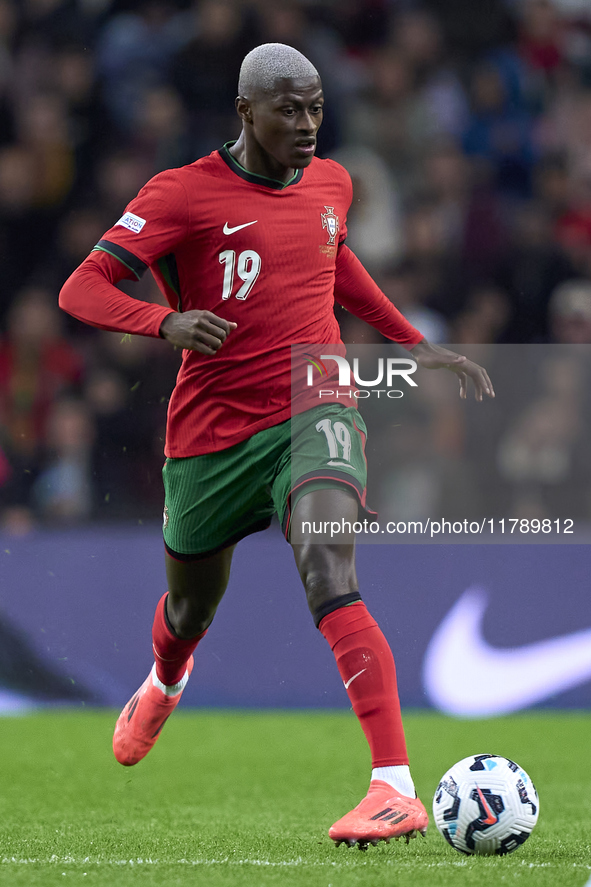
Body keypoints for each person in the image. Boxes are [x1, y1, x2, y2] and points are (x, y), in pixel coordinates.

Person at [59, 43, 494, 849]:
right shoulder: (180, 195)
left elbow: (333, 258)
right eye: (288, 109)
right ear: (244, 112)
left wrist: (407, 339)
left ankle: (391, 787)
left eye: (316, 108)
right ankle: (166, 675)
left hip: (315, 402)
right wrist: (165, 321)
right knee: (190, 608)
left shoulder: (333, 182)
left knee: (327, 563)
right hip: (210, 436)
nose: (306, 125)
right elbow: (81, 286)